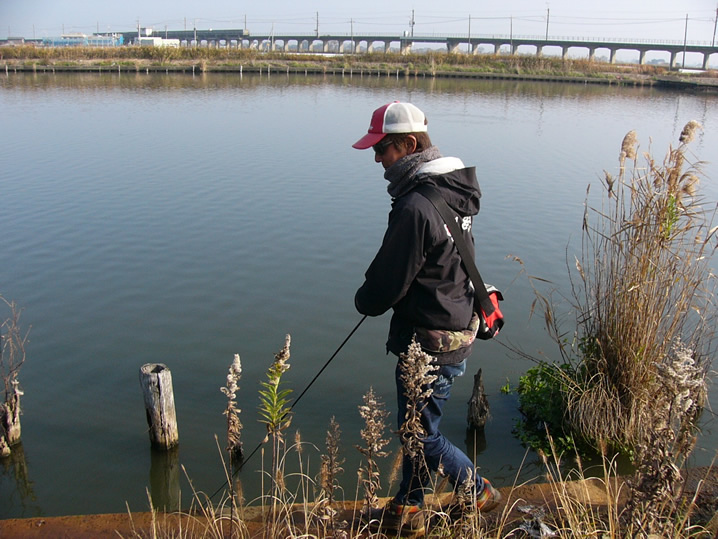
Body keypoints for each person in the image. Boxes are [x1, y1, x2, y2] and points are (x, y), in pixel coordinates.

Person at [352, 101, 501, 530]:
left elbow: (386, 283)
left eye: (382, 149)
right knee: (419, 424)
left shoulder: (416, 206)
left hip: (431, 339)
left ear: (410, 145)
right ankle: (411, 504)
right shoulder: (451, 192)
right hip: (455, 325)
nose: (377, 160)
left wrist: (365, 301)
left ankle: (477, 489)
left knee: (419, 433)